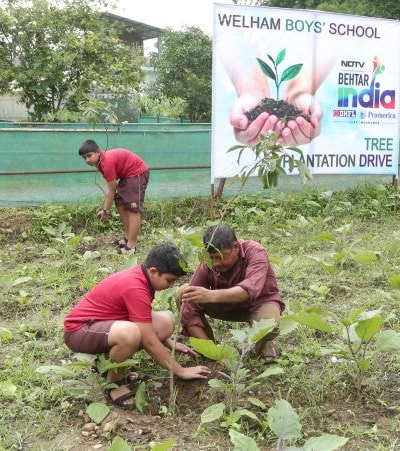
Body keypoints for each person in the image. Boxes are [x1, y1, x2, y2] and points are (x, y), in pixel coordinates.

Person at [63, 243, 211, 408]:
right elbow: (148, 340)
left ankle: (104, 363)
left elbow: (143, 323)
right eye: (169, 281)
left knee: (165, 323)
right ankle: (114, 382)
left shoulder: (142, 277)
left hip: (101, 326)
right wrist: (180, 371)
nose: (170, 286)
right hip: (79, 330)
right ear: (153, 271)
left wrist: (170, 343)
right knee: (130, 334)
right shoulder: (135, 287)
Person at [178, 224, 284, 364]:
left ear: (236, 248)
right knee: (184, 293)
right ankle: (207, 348)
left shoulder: (255, 251)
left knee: (271, 325)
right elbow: (189, 306)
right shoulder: (208, 261)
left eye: (220, 257)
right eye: (212, 257)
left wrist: (210, 295)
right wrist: (214, 355)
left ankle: (263, 345)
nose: (215, 263)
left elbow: (249, 290)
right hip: (225, 306)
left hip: (257, 304)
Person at [78, 139, 149, 253]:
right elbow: (113, 189)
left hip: (137, 173)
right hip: (127, 177)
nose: (87, 160)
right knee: (120, 204)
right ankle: (127, 238)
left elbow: (112, 190)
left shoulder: (106, 163)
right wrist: (105, 209)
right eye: (84, 158)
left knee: (133, 209)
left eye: (89, 155)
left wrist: (105, 210)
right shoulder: (100, 162)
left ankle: (131, 246)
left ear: (97, 152)